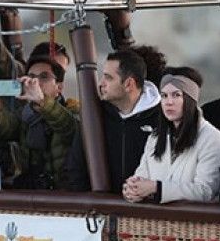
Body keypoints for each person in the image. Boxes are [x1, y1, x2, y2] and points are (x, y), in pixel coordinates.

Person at [64, 49, 161, 193]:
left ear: (129, 84)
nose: (101, 83)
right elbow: (75, 167)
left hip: (147, 205)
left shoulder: (162, 118)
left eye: (108, 78)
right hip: (99, 206)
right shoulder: (95, 116)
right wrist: (88, 201)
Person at [0, 55, 80, 190]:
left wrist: (42, 102)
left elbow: (70, 128)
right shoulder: (25, 114)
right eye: (31, 77)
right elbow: (2, 129)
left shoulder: (72, 109)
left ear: (59, 87)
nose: (36, 83)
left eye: (44, 77)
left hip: (66, 192)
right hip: (32, 190)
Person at [123, 73, 220, 203]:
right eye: (164, 96)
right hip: (155, 216)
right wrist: (131, 189)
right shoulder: (155, 137)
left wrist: (157, 188)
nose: (168, 102)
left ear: (190, 99)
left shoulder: (211, 137)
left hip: (190, 216)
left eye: (176, 95)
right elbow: (141, 177)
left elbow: (206, 191)